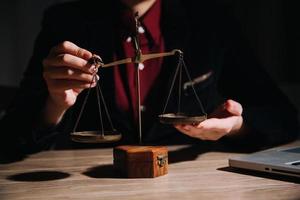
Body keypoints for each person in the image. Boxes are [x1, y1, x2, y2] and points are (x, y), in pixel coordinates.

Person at [0, 0, 298, 159]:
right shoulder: (66, 22)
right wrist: (54, 105)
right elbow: (9, 140)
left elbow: (284, 119)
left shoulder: (210, 19)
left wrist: (235, 127)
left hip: (189, 186)